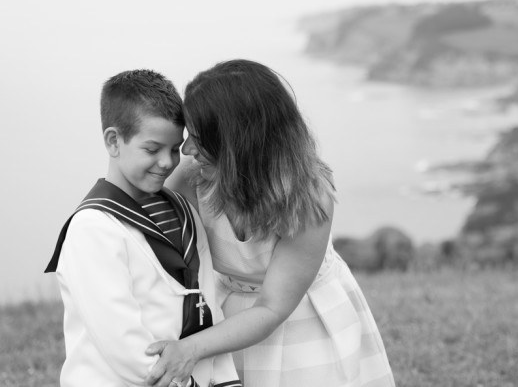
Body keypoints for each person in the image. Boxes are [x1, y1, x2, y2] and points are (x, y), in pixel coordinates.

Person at [145, 60, 395, 387]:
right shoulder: (191, 181)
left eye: (199, 136)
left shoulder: (307, 196)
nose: (187, 149)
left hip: (303, 320)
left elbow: (272, 308)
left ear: (238, 141)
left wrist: (191, 348)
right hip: (228, 320)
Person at [44, 69, 240, 387]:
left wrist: (224, 380)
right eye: (152, 149)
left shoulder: (185, 212)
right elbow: (123, 343)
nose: (166, 162)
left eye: (175, 149)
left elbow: (209, 308)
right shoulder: (92, 229)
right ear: (113, 141)